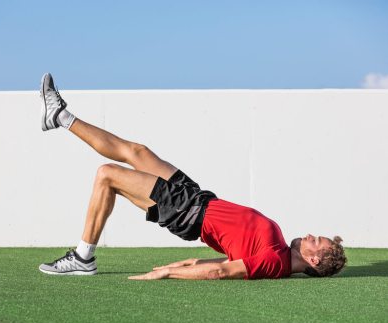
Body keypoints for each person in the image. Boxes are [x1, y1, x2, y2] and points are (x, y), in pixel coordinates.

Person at [38, 73, 347, 280]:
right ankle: (60, 116)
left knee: (107, 175)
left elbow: (223, 272)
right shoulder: (278, 247)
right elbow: (216, 263)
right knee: (137, 151)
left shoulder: (276, 262)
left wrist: (168, 274)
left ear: (315, 260)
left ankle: (83, 257)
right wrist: (184, 264)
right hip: (197, 198)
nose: (309, 235)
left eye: (314, 240)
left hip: (188, 212)